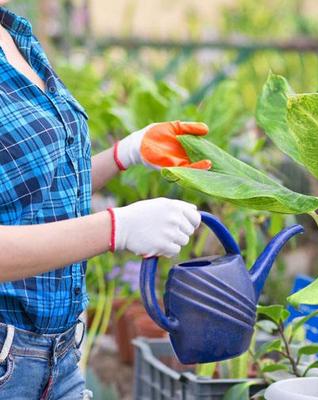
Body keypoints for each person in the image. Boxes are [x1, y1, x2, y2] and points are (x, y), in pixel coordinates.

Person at [0, 4, 210, 398]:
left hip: (60, 357)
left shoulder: (14, 33)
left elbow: (34, 196)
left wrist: (125, 154)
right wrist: (117, 228)